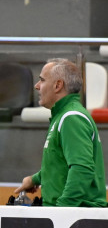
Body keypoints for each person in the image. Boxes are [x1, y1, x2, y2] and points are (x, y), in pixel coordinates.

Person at [15, 59, 107, 207]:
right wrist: (35, 179)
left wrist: (61, 210)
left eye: (42, 80)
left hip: (76, 220)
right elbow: (61, 164)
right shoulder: (64, 116)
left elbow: (81, 169)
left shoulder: (71, 118)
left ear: (58, 85)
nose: (37, 86)